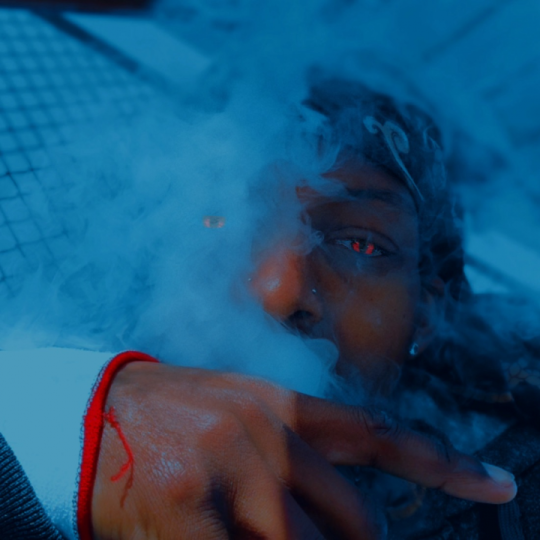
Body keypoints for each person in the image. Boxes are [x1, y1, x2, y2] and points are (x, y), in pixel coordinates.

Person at [1, 76, 537, 540]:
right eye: (219, 220)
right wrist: (60, 440)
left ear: (427, 310)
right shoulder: (49, 394)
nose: (277, 292)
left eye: (362, 244)